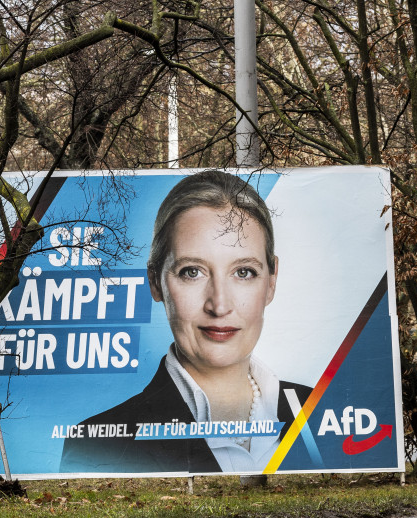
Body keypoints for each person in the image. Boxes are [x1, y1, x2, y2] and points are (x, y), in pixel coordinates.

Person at [60, 170, 313, 473]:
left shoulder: (318, 409)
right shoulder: (95, 443)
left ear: (271, 280)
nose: (219, 305)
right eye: (192, 272)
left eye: (243, 272)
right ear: (155, 282)